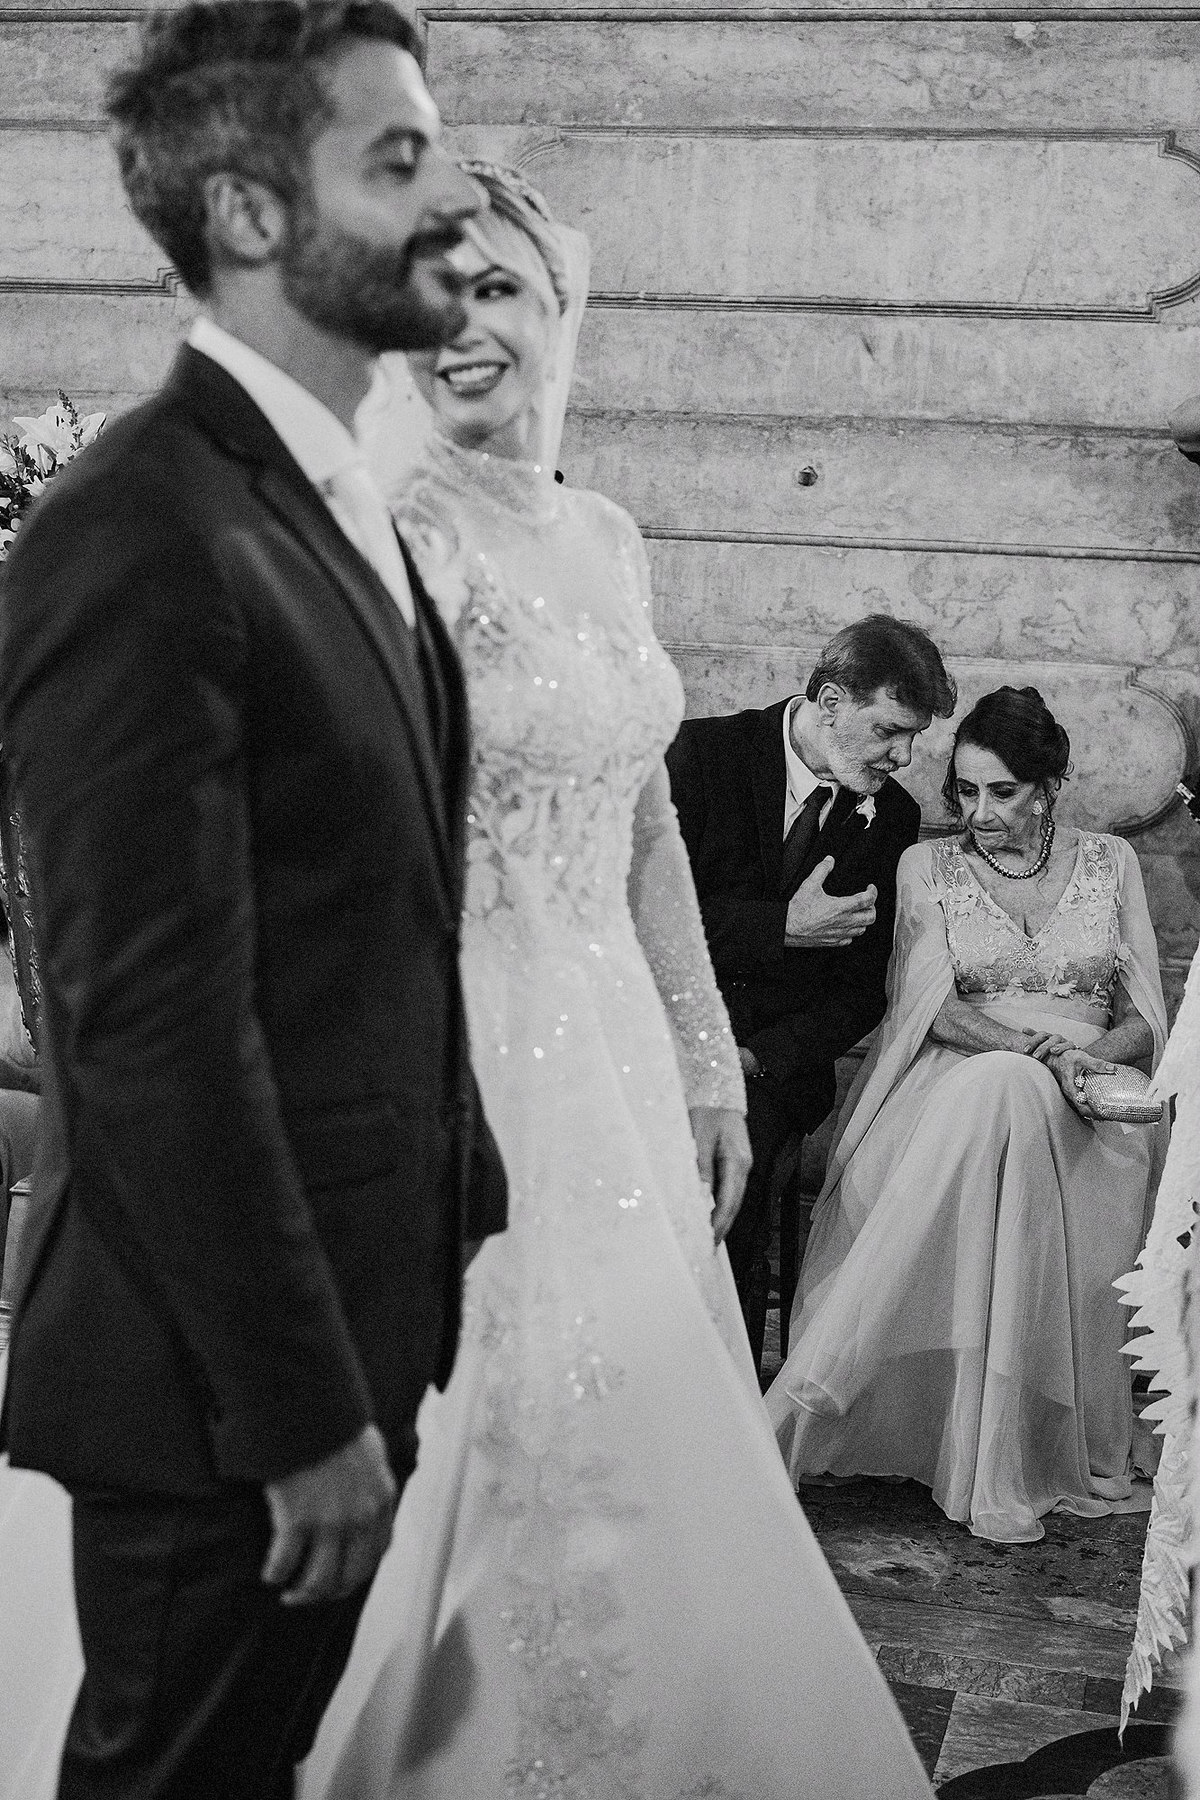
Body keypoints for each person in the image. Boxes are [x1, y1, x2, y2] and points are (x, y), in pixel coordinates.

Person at [296, 163, 935, 1800]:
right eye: (433, 286)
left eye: (504, 285)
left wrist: (707, 1060)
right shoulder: (372, 537)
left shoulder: (607, 537)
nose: (468, 319)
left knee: (638, 1439)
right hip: (447, 1045)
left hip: (614, 1056)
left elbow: (645, 820)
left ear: (559, 312)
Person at [0, 5, 508, 1796]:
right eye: (397, 159)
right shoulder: (141, 530)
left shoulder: (326, 499)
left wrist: (455, 1217)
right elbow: (146, 1030)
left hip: (349, 1329)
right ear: (246, 212)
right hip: (217, 1397)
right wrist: (295, 1414)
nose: (455, 198)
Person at [765, 686, 1169, 1544]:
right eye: (967, 791)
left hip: (1087, 1098)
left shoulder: (1111, 862)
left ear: (1049, 785)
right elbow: (930, 1006)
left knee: (1016, 1093)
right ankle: (908, 1414)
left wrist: (1082, 1060)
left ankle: (879, 1386)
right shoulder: (927, 864)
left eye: (1004, 792)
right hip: (956, 1083)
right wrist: (1026, 1054)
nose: (980, 813)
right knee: (1001, 1090)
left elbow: (1143, 1016)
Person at [665, 617, 956, 1369]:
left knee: (729, 1165)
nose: (904, 756)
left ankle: (718, 1376)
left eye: (914, 737)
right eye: (890, 730)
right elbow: (635, 916)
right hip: (658, 1038)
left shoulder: (891, 818)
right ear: (830, 702)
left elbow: (861, 993)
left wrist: (753, 1059)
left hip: (772, 1069)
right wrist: (781, 928)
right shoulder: (698, 756)